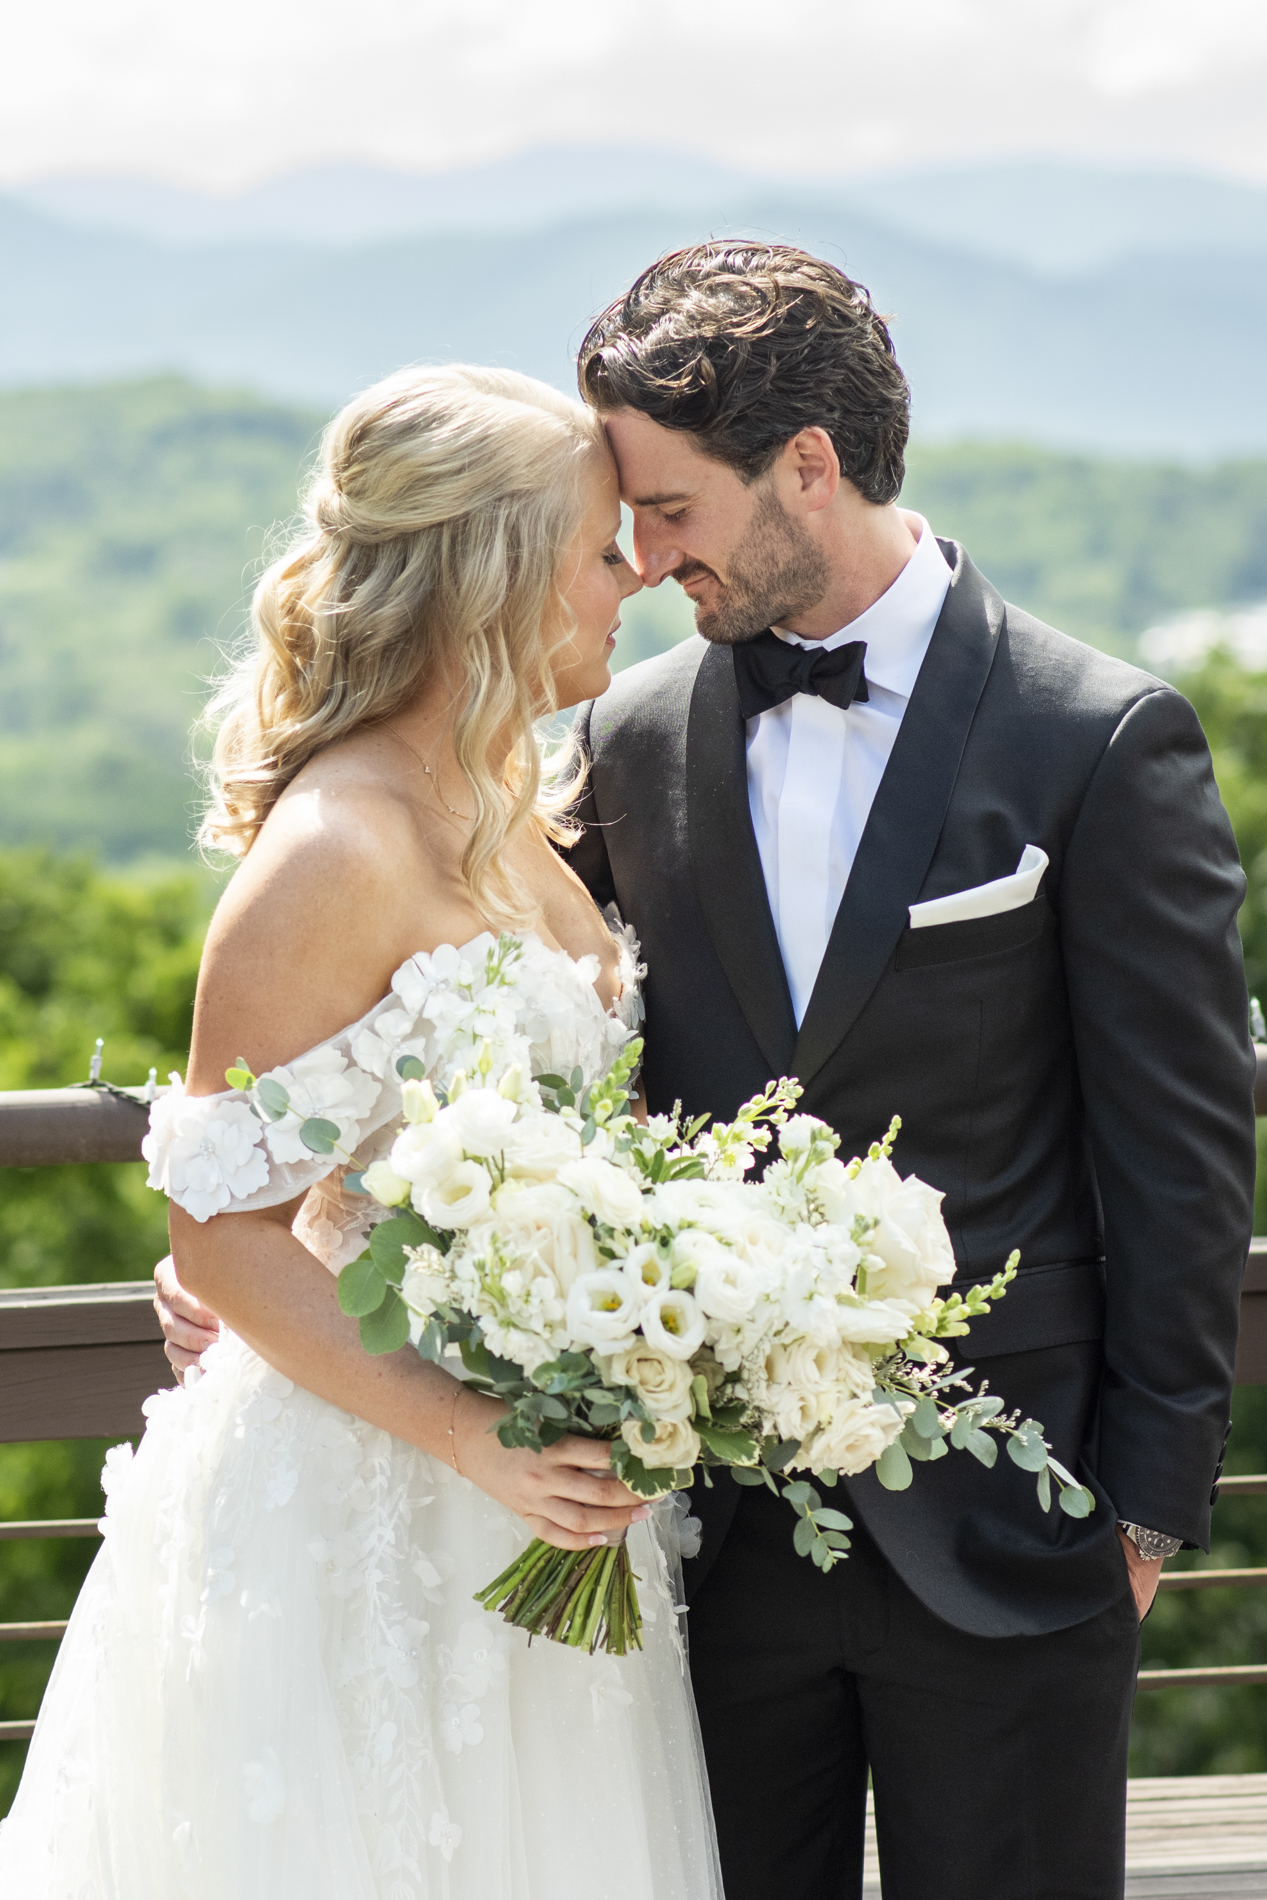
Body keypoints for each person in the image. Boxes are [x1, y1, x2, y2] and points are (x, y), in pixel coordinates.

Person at [157, 242, 1254, 1899]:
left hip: (1011, 1523)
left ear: (805, 469)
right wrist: (260, 1259)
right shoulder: (613, 747)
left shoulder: (1097, 737)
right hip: (688, 1543)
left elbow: (1180, 1156)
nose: (642, 557)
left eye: (663, 512)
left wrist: (1150, 1511)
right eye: (612, 531)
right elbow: (425, 1049)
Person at [0, 364, 724, 1900]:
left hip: (546, 1500)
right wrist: (471, 1439)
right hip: (374, 1511)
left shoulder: (507, 804)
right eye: (602, 547)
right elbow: (220, 1233)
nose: (636, 573)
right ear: (498, 578)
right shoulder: (335, 847)